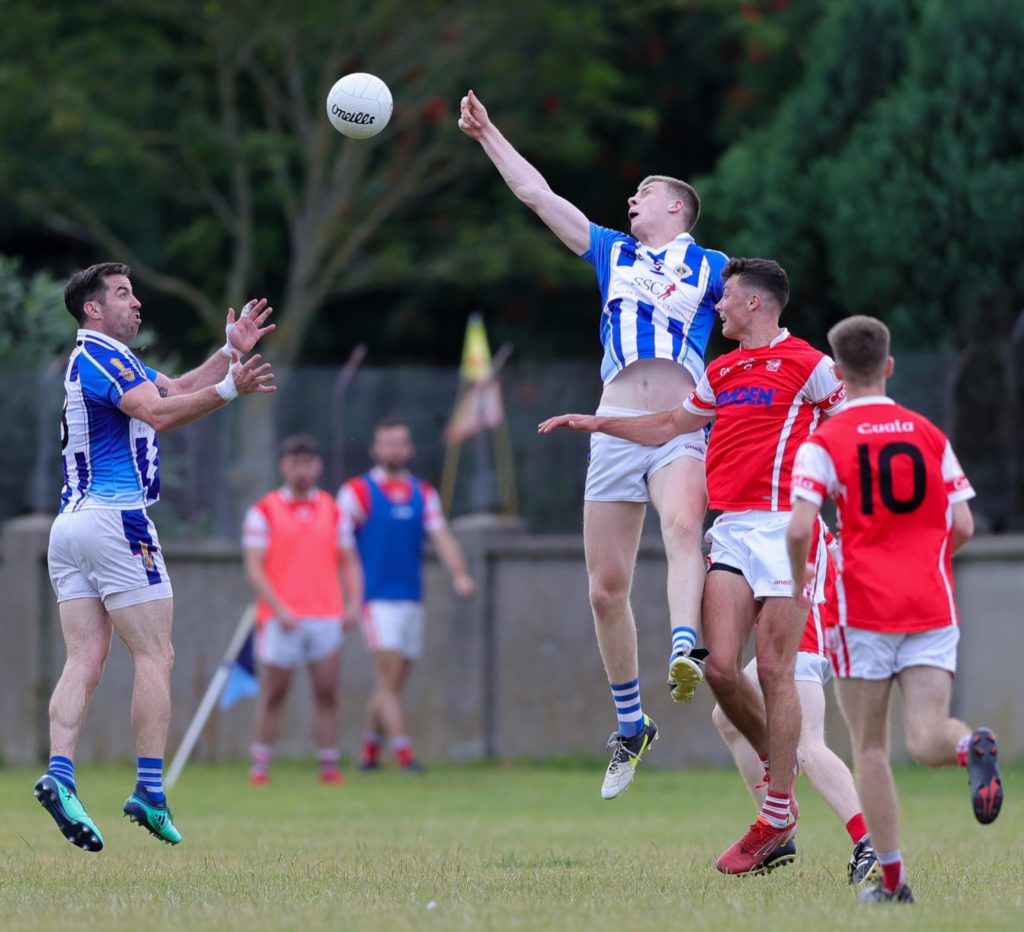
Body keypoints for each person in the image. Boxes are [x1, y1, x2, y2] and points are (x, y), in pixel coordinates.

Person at [459, 89, 728, 801]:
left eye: (645, 192)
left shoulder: (713, 269)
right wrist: (489, 134)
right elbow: (537, 194)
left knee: (680, 524)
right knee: (606, 589)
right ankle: (632, 724)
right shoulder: (612, 251)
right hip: (612, 422)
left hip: (677, 422)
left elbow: (760, 313)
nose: (632, 199)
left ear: (678, 208)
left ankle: (682, 645)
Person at [539, 257, 846, 873]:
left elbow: (851, 427)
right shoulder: (720, 369)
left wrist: (842, 510)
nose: (719, 307)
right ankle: (781, 790)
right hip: (732, 530)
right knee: (723, 672)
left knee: (779, 677)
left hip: (788, 531)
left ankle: (828, 829)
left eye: (726, 298)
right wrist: (598, 421)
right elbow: (672, 425)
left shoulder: (809, 363)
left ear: (755, 304)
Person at [37, 262, 275, 851]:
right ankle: (149, 789)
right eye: (122, 294)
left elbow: (171, 389)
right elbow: (160, 413)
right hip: (117, 520)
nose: (136, 303)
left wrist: (227, 351)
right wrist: (229, 390)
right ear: (92, 309)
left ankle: (60, 774)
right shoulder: (104, 357)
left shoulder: (105, 361)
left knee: (84, 660)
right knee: (155, 654)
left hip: (69, 528)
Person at [786, 314, 1003, 905]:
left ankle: (892, 881)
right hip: (932, 603)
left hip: (864, 609)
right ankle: (968, 747)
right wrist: (928, 558)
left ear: (835, 370)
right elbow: (962, 523)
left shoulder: (825, 441)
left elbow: (802, 524)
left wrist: (801, 567)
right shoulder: (928, 433)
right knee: (928, 732)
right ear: (888, 366)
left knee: (872, 747)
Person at [711, 535, 879, 884]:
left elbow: (839, 561)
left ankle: (870, 839)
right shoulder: (779, 509)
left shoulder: (793, 506)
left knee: (807, 745)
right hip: (795, 626)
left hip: (804, 629)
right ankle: (776, 831)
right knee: (727, 717)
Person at [338, 417, 475, 773]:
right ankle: (404, 754)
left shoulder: (423, 493)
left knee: (393, 683)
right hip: (376, 599)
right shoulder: (357, 492)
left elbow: (441, 536)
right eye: (388, 442)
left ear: (409, 449)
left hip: (411, 598)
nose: (394, 449)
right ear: (375, 449)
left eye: (401, 443)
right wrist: (349, 594)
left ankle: (368, 752)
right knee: (387, 679)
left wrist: (460, 574)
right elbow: (340, 546)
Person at [242, 434, 363, 787]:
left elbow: (349, 561)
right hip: (281, 617)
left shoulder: (333, 510)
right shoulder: (263, 511)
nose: (302, 471)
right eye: (295, 463)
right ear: (284, 467)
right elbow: (254, 566)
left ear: (318, 466)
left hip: (325, 614)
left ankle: (329, 764)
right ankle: (260, 764)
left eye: (308, 463)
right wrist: (278, 607)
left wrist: (354, 601)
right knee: (275, 691)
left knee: (326, 690)